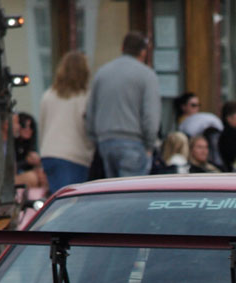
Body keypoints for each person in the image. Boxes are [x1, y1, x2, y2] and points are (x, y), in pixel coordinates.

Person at [85, 32, 161, 177]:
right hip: (133, 141)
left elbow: (90, 112)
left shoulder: (102, 73)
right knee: (131, 189)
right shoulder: (147, 75)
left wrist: (95, 139)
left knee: (114, 188)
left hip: (105, 141)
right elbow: (151, 115)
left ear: (122, 48)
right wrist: (150, 145)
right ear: (143, 52)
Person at [39, 51, 94, 193]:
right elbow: (88, 129)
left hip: (49, 153)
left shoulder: (48, 95)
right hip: (74, 156)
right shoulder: (85, 97)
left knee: (58, 197)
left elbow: (42, 127)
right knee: (72, 199)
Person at [13, 112, 46, 189]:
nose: (28, 129)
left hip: (26, 174)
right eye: (24, 126)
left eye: (31, 126)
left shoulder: (30, 144)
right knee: (32, 177)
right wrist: (26, 161)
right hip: (15, 177)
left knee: (42, 175)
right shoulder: (11, 143)